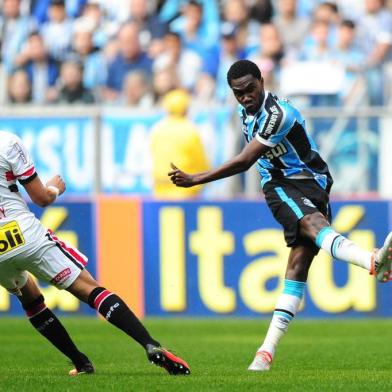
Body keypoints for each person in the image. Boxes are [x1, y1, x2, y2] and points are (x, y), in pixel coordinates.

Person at [168, 59, 392, 372]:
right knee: (308, 242)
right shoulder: (244, 112)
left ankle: (267, 351)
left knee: (300, 261)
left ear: (262, 81)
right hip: (279, 185)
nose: (245, 97)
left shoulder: (278, 114)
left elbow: (245, 161)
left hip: (309, 182)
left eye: (250, 89)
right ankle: (368, 262)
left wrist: (195, 179)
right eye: (238, 93)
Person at [0, 131, 190, 376]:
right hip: (23, 232)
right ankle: (150, 344)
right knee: (88, 288)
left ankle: (81, 363)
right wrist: (54, 188)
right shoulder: (8, 142)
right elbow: (41, 198)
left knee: (30, 299)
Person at [151, 89, 209, 198]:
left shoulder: (157, 129)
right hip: (187, 192)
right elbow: (202, 162)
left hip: (160, 191)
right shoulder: (191, 130)